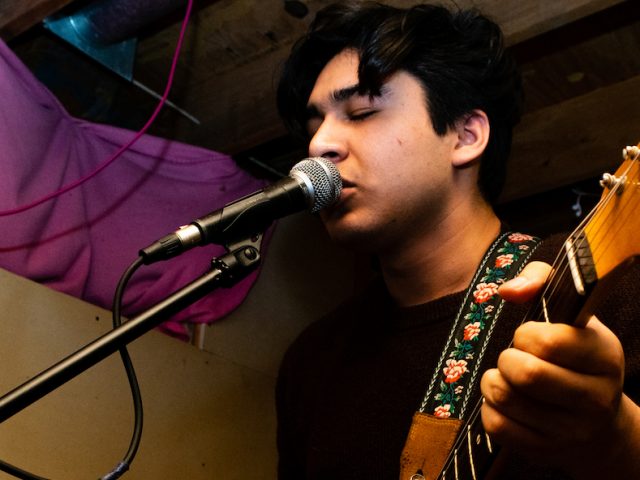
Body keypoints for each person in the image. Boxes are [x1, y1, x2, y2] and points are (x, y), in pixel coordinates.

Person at [274, 2, 640, 479]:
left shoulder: (612, 288)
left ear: (466, 135)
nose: (319, 144)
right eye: (313, 125)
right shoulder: (310, 361)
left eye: (361, 111)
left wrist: (618, 438)